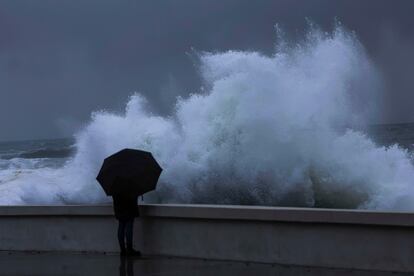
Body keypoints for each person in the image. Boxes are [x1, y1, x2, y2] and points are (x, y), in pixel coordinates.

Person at [112, 190, 141, 257]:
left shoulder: (115, 184)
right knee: (129, 226)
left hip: (118, 207)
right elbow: (132, 196)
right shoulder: (130, 185)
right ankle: (129, 250)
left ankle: (122, 250)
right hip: (129, 207)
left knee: (121, 226)